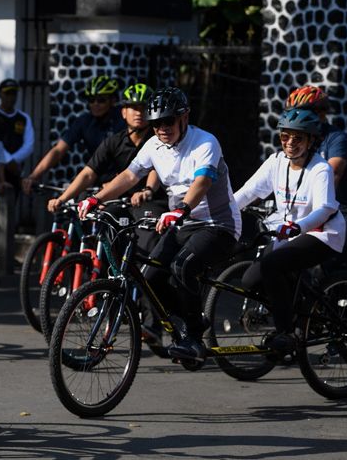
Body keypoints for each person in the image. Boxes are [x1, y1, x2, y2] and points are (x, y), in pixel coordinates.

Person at [77, 87, 241, 362]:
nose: (162, 128)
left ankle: (192, 335)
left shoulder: (205, 142)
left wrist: (181, 210)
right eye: (156, 123)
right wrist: (96, 199)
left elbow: (203, 181)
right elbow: (129, 176)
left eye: (168, 121)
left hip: (217, 224)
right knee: (150, 277)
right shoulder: (154, 145)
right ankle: (186, 324)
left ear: (184, 117)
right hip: (182, 222)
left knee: (182, 266)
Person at [235, 108, 345, 354]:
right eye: (285, 137)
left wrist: (299, 225)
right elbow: (248, 192)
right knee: (250, 279)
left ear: (311, 140)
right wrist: (221, 212)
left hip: (322, 233)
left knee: (272, 265)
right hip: (287, 234)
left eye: (298, 138)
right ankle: (297, 313)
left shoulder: (320, 169)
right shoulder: (275, 162)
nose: (290, 143)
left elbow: (326, 207)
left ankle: (285, 333)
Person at [49, 82, 164, 253]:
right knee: (100, 227)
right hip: (121, 200)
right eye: (133, 107)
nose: (139, 112)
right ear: (123, 112)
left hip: (151, 200)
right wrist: (63, 198)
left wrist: (147, 190)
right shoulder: (113, 141)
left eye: (143, 107)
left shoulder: (159, 139)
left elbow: (155, 168)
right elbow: (88, 173)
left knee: (148, 245)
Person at [284, 85, 347, 262]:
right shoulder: (298, 140)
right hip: (328, 205)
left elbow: (332, 175)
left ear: (320, 114)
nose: (294, 119)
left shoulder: (336, 139)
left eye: (300, 113)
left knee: (332, 256)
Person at [22, 74, 124, 193]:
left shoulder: (123, 119)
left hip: (122, 179)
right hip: (94, 179)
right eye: (91, 100)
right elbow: (58, 150)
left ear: (113, 100)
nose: (95, 104)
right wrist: (34, 176)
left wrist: (118, 180)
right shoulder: (84, 121)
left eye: (101, 100)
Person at [0, 78, 34, 192]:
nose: (11, 97)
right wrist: (8, 160)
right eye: (7, 93)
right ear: (0, 94)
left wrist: (14, 161)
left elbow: (29, 145)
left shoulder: (24, 118)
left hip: (15, 170)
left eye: (13, 94)